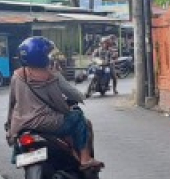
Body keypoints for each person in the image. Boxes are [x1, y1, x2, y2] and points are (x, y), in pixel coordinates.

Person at [6, 36, 103, 171]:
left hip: (22, 123)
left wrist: (9, 126)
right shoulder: (52, 76)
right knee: (78, 117)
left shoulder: (17, 76)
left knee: (21, 139)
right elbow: (74, 94)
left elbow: (12, 103)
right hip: (49, 122)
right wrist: (82, 96)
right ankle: (85, 158)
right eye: (47, 54)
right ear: (42, 57)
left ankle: (20, 159)